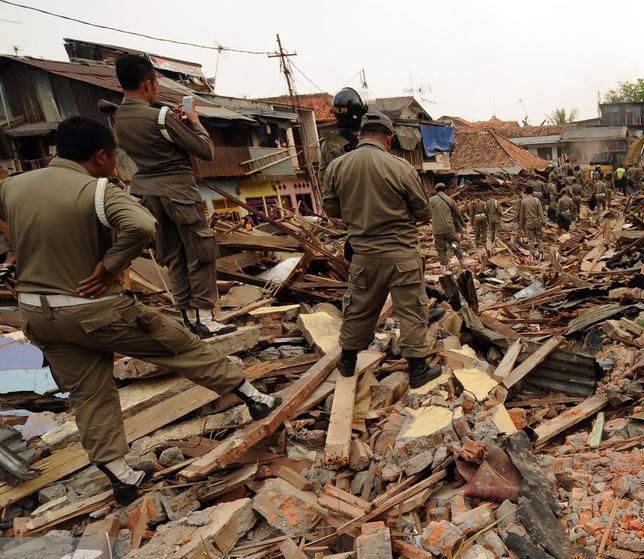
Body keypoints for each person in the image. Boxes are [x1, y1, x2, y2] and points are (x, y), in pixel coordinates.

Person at [0, 117, 280, 504]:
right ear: (101, 156)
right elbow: (143, 225)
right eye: (115, 157)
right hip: (94, 309)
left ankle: (121, 476)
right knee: (179, 345)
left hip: (38, 315)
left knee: (89, 393)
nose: (115, 165)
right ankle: (254, 397)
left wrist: (9, 257)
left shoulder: (13, 186)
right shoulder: (97, 189)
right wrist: (110, 265)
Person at [108, 54, 234, 339]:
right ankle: (205, 318)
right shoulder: (160, 116)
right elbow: (205, 150)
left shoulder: (116, 117)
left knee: (173, 254)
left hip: (146, 191)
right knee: (200, 250)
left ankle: (188, 317)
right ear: (148, 83)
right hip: (178, 190)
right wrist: (193, 122)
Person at [322, 111, 441, 387]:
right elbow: (424, 212)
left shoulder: (337, 167)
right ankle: (418, 371)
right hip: (402, 255)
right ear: (388, 138)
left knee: (358, 309)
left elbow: (331, 210)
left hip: (364, 255)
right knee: (411, 311)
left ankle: (347, 362)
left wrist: (359, 214)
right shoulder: (400, 167)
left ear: (361, 135)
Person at [429, 183, 466, 273]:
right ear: (445, 190)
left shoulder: (431, 200)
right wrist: (463, 223)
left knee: (441, 249)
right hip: (449, 228)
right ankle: (461, 261)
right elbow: (457, 213)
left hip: (437, 230)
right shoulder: (450, 199)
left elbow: (426, 212)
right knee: (454, 244)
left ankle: (445, 266)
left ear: (436, 190)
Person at [516, 185, 545, 250]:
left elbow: (522, 214)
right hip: (537, 221)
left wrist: (521, 224)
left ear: (526, 192)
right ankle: (541, 252)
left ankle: (532, 253)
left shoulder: (523, 201)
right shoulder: (537, 200)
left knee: (531, 239)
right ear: (533, 192)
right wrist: (544, 222)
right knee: (539, 239)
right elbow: (541, 213)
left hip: (529, 222)